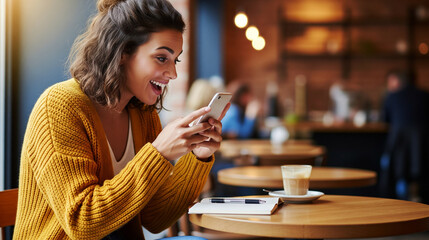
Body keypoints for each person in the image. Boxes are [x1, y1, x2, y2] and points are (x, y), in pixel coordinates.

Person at [13, 0, 229, 239]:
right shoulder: (59, 106)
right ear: (123, 52)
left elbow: (155, 218)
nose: (173, 73)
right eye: (161, 58)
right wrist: (158, 154)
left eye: (175, 59)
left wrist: (198, 157)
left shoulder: (142, 114)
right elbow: (82, 221)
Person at [380, 69, 429, 204]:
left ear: (397, 81)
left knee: (396, 166)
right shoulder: (425, 95)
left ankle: (400, 196)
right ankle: (416, 195)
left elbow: (385, 119)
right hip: (422, 146)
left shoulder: (392, 96)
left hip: (399, 145)